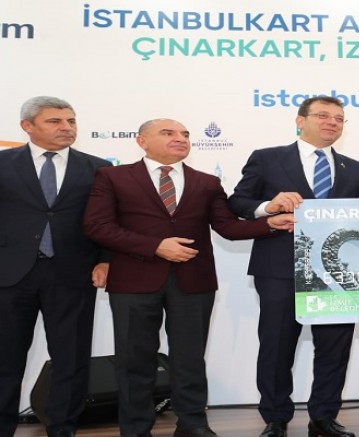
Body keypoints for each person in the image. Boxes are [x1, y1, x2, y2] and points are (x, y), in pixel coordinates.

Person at [83, 119, 295, 437]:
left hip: (193, 281)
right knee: (134, 360)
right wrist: (156, 246)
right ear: (142, 141)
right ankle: (136, 428)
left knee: (190, 359)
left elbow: (227, 226)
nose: (180, 138)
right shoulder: (112, 176)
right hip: (133, 281)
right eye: (168, 133)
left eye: (184, 134)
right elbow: (98, 226)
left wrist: (268, 223)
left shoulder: (206, 182)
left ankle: (193, 424)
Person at [228, 96, 359, 437]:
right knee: (277, 345)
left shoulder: (354, 168)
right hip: (279, 267)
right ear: (300, 120)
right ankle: (275, 418)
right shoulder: (267, 158)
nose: (332, 122)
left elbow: (356, 214)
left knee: (335, 348)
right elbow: (238, 201)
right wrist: (269, 206)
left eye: (339, 118)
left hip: (338, 272)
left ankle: (324, 417)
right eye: (323, 115)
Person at [0, 96, 110, 437]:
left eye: (71, 121)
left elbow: (108, 221)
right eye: (55, 121)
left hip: (73, 273)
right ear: (27, 126)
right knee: (5, 358)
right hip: (9, 274)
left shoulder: (99, 168)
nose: (66, 127)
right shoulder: (3, 164)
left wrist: (106, 259)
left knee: (71, 358)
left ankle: (63, 427)